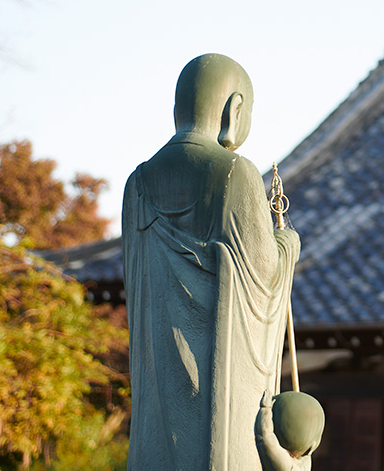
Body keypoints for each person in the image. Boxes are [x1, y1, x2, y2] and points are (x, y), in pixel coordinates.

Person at [123, 54, 305, 470]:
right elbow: (264, 274)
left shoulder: (137, 183)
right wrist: (287, 244)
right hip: (217, 399)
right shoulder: (233, 173)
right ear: (234, 109)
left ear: (176, 111)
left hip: (157, 391)